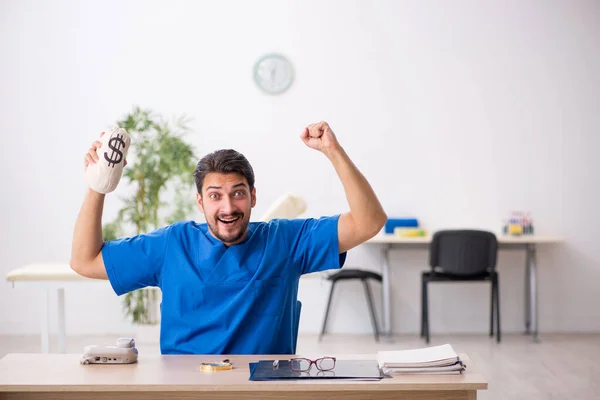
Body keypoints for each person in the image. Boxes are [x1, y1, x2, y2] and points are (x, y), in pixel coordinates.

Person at [70, 121, 387, 354]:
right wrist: (98, 186)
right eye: (215, 196)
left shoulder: (287, 241)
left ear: (252, 197)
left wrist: (334, 152)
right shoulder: (171, 245)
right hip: (186, 391)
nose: (227, 207)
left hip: (264, 391)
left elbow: (368, 222)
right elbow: (85, 261)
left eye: (237, 194)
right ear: (200, 202)